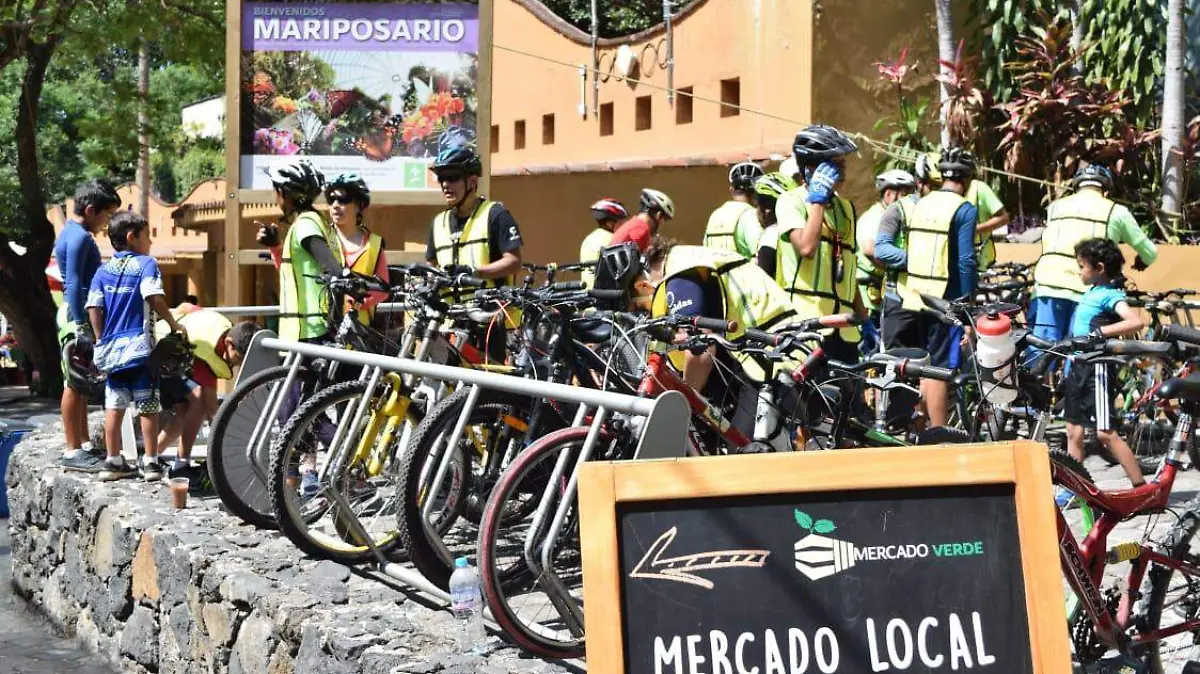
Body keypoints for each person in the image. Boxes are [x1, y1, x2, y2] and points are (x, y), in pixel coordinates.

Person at [603, 236, 801, 440]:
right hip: (757, 349)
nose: (644, 313)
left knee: (741, 453)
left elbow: (700, 353)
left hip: (768, 355)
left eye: (638, 306)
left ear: (642, 286)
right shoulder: (684, 259)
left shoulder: (679, 275)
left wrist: (683, 407)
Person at [875, 146, 979, 427]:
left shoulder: (920, 205)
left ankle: (918, 427)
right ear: (967, 180)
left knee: (919, 365)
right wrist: (968, 306)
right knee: (938, 369)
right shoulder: (964, 209)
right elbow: (966, 260)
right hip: (945, 302)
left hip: (914, 298)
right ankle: (938, 432)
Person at [85, 211, 187, 482]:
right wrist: (174, 323)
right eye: (147, 236)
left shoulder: (102, 271)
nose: (150, 242)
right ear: (132, 237)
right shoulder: (145, 264)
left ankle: (113, 460)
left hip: (112, 351)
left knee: (114, 405)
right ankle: (152, 462)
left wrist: (100, 339)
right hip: (141, 349)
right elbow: (153, 296)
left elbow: (94, 306)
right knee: (148, 405)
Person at [424, 128, 523, 363]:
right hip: (451, 321)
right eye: (441, 178)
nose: (446, 184)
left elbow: (514, 261)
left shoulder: (495, 214)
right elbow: (432, 267)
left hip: (491, 322)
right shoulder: (438, 222)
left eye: (452, 177)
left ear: (472, 180)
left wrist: (474, 271)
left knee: (489, 393)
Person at [1030, 164, 1157, 345]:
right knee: (1081, 347)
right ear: (1105, 191)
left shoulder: (1055, 207)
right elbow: (1150, 253)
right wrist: (1142, 260)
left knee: (1043, 348)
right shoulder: (1116, 211)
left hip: (1048, 285)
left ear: (1076, 186)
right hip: (1087, 291)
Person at [774, 124, 864, 362]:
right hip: (807, 327)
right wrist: (817, 201)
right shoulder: (790, 201)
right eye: (835, 163)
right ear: (811, 167)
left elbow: (848, 266)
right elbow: (806, 247)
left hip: (845, 330)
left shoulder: (846, 208)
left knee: (849, 398)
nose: (843, 169)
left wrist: (864, 318)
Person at [1063, 238, 1145, 489]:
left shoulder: (1110, 295)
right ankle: (1075, 489)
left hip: (1096, 368)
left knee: (1105, 434)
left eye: (1082, 267)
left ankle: (1142, 488)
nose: (1079, 272)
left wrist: (1102, 332)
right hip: (1078, 366)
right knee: (1073, 432)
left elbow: (1135, 321)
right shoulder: (1092, 292)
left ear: (1098, 268)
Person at [155, 306, 259, 491]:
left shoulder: (224, 328)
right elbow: (212, 409)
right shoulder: (206, 348)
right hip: (164, 350)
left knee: (185, 413)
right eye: (238, 358)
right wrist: (230, 451)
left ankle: (151, 457)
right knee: (198, 404)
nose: (237, 364)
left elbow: (189, 307)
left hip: (176, 350)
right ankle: (180, 466)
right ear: (229, 343)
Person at [58, 179, 122, 472]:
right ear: (91, 209)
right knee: (74, 382)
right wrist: (82, 323)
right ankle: (72, 450)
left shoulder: (73, 233)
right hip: (76, 318)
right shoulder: (80, 237)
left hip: (78, 315)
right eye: (106, 216)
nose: (107, 223)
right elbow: (72, 282)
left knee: (82, 382)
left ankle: (82, 444)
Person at [256, 159, 345, 343]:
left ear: (283, 193)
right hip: (311, 330)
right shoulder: (315, 221)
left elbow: (335, 273)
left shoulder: (305, 224)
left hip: (311, 332)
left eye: (275, 190)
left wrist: (333, 322)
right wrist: (275, 246)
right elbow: (297, 272)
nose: (275, 197)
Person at [920, 151, 1011, 271]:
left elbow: (1004, 218)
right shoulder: (938, 197)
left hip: (981, 258)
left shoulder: (979, 189)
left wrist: (975, 229)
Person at [325, 174, 389, 323]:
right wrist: (276, 249)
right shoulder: (320, 239)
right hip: (323, 327)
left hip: (359, 330)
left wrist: (361, 302)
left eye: (343, 200)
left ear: (358, 205)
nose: (335, 205)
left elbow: (384, 289)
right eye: (331, 200)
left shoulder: (375, 243)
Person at [856, 170, 916, 317]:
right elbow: (869, 249)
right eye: (904, 194)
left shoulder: (897, 218)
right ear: (889, 194)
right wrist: (899, 269)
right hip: (869, 297)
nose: (909, 199)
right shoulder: (874, 217)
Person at [704, 162, 764, 258]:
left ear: (731, 190)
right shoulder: (751, 216)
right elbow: (761, 255)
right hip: (745, 272)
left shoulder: (715, 216)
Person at [750, 172, 798, 278]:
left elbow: (763, 280)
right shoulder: (797, 230)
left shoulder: (771, 235)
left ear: (766, 210)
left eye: (757, 205)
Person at [580, 198, 627, 288]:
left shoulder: (588, 239)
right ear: (609, 223)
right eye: (621, 222)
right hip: (605, 297)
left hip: (587, 295)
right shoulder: (613, 240)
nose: (623, 225)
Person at [610, 188, 675, 253]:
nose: (663, 223)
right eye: (665, 219)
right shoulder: (642, 231)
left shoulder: (632, 225)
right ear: (658, 215)